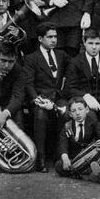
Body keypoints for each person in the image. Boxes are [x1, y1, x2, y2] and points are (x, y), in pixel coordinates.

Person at [24, 22, 71, 172]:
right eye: (49, 37)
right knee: (40, 115)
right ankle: (41, 158)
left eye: (55, 37)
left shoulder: (62, 55)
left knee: (67, 112)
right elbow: (29, 83)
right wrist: (36, 99)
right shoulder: (31, 58)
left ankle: (60, 155)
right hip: (41, 99)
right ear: (40, 38)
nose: (53, 40)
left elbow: (71, 72)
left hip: (58, 97)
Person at [64, 29, 100, 140]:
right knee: (89, 116)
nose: (94, 47)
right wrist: (85, 96)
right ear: (84, 43)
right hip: (83, 104)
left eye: (97, 43)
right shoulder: (75, 62)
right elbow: (69, 88)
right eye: (90, 43)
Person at [55, 98, 100, 184]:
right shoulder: (67, 126)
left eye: (80, 109)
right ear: (70, 114)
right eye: (74, 111)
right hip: (77, 160)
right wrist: (65, 158)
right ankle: (91, 176)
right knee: (59, 166)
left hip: (93, 157)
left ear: (86, 110)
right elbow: (63, 144)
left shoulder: (92, 122)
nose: (78, 113)